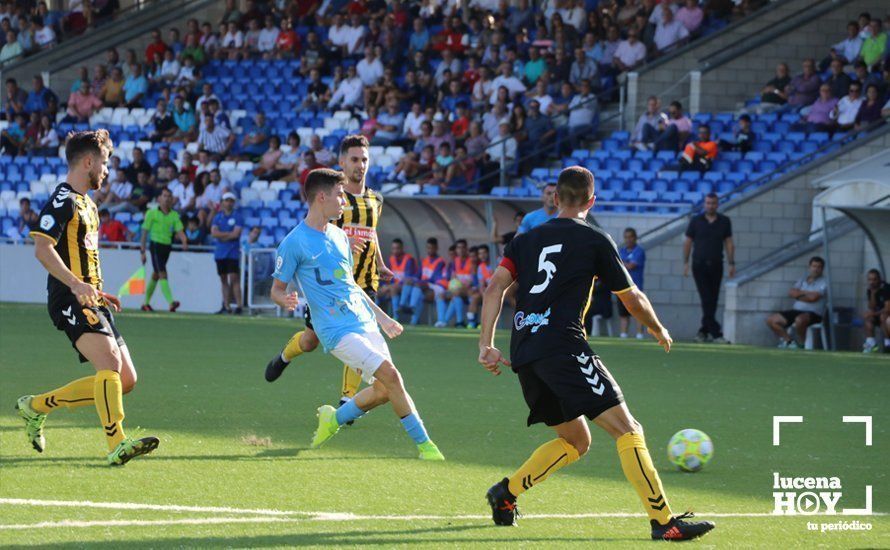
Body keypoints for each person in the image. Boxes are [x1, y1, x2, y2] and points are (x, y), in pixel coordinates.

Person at [477, 166, 715, 541]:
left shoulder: (525, 240)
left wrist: (485, 345)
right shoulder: (594, 239)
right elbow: (631, 297)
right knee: (628, 429)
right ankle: (664, 522)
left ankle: (506, 494)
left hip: (525, 349)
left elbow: (494, 288)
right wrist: (657, 327)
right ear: (592, 200)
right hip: (563, 345)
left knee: (576, 441)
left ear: (555, 198)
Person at [269, 168, 445, 460]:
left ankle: (334, 419)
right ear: (322, 197)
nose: (343, 201)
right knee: (392, 376)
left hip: (362, 321)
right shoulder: (293, 242)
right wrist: (283, 299)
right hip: (335, 330)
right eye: (339, 195)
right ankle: (426, 447)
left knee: (384, 389)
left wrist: (382, 317)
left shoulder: (339, 236)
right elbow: (276, 288)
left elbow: (350, 285)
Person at [17, 130, 159, 466]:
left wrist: (95, 289)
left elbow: (83, 256)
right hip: (67, 296)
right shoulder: (62, 199)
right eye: (105, 163)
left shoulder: (89, 204)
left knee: (125, 380)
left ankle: (34, 406)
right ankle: (117, 442)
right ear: (88, 161)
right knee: (109, 363)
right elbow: (42, 249)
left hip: (88, 297)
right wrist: (77, 285)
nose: (107, 171)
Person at [265, 135, 394, 413]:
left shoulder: (375, 199)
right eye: (354, 159)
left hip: (363, 282)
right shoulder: (332, 197)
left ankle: (347, 400)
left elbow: (372, 234)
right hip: (328, 287)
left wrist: (380, 263)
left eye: (364, 160)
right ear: (342, 162)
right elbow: (317, 232)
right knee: (310, 341)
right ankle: (284, 357)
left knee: (360, 337)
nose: (360, 165)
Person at [683, 193, 735, 343]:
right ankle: (716, 333)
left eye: (713, 203)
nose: (710, 205)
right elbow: (688, 242)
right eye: (708, 203)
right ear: (704, 204)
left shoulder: (724, 221)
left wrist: (732, 263)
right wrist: (685, 262)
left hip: (717, 264)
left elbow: (729, 243)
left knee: (712, 299)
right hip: (699, 265)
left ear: (717, 204)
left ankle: (703, 331)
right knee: (707, 298)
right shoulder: (696, 221)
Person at [139, 187, 188, 312]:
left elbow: (180, 230)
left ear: (172, 200)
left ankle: (145, 303)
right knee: (162, 273)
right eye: (164, 196)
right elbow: (144, 232)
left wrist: (184, 241)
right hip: (155, 245)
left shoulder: (174, 215)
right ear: (160, 198)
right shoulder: (152, 213)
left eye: (169, 197)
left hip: (167, 247)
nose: (167, 199)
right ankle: (171, 302)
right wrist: (143, 251)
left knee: (156, 275)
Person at [765, 257, 828, 349]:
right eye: (814, 266)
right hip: (796, 311)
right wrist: (807, 293)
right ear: (809, 267)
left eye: (819, 267)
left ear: (822, 269)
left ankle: (801, 344)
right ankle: (789, 342)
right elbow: (791, 292)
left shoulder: (824, 282)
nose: (816, 269)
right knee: (771, 320)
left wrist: (799, 294)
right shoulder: (802, 280)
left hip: (814, 314)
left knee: (800, 320)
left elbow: (813, 298)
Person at [402, 237, 449, 326]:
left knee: (418, 285)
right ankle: (413, 322)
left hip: (437, 286)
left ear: (436, 248)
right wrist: (414, 279)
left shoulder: (440, 261)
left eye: (432, 248)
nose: (430, 250)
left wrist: (420, 282)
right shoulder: (425, 260)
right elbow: (418, 274)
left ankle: (411, 306)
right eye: (428, 248)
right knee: (418, 293)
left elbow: (434, 278)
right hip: (426, 285)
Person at [210, 192, 244, 314]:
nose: (228, 203)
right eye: (226, 200)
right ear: (223, 202)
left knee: (234, 278)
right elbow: (214, 233)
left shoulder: (237, 216)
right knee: (223, 279)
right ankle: (226, 306)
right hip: (220, 253)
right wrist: (229, 235)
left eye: (230, 201)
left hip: (232, 253)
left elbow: (236, 234)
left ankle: (239, 306)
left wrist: (221, 235)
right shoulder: (217, 217)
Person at [378, 238, 417, 321]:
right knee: (377, 292)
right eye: (393, 248)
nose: (395, 251)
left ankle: (396, 316)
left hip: (406, 286)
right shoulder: (391, 259)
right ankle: (374, 318)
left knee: (393, 288)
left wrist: (389, 286)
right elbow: (387, 277)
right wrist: (384, 286)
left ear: (402, 248)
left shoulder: (409, 259)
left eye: (397, 248)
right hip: (393, 286)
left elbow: (407, 278)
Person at [618, 228, 646, 339]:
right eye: (626, 237)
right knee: (623, 313)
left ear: (635, 238)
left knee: (638, 312)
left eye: (630, 237)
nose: (628, 239)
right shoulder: (622, 251)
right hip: (623, 287)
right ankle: (623, 334)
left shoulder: (639, 251)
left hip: (636, 287)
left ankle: (639, 334)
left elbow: (631, 266)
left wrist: (621, 263)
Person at [862, 269, 890, 353]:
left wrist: (872, 313)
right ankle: (871, 344)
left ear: (879, 279)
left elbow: (888, 309)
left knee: (883, 317)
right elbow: (871, 307)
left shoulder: (886, 288)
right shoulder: (870, 290)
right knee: (868, 319)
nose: (872, 282)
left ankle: (887, 344)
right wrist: (873, 294)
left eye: (874, 279)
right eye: (870, 279)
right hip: (879, 314)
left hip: (887, 316)